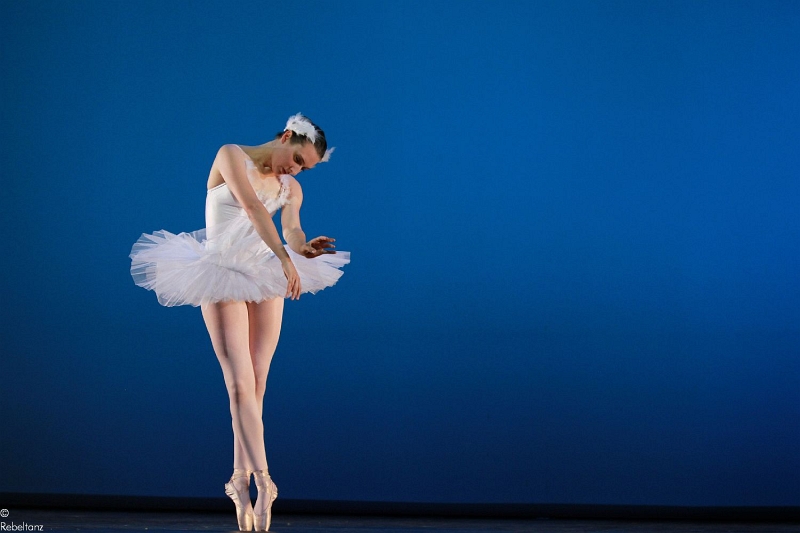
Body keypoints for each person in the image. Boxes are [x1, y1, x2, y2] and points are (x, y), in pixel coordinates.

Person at [129, 113, 349, 531]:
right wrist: (285, 258)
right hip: (221, 272)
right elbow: (251, 207)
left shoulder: (290, 188)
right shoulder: (231, 155)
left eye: (304, 168)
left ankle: (237, 479)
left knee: (258, 384)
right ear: (286, 137)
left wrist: (302, 248)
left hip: (263, 274)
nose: (296, 170)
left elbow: (291, 229)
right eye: (297, 159)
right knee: (238, 384)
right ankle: (264, 481)